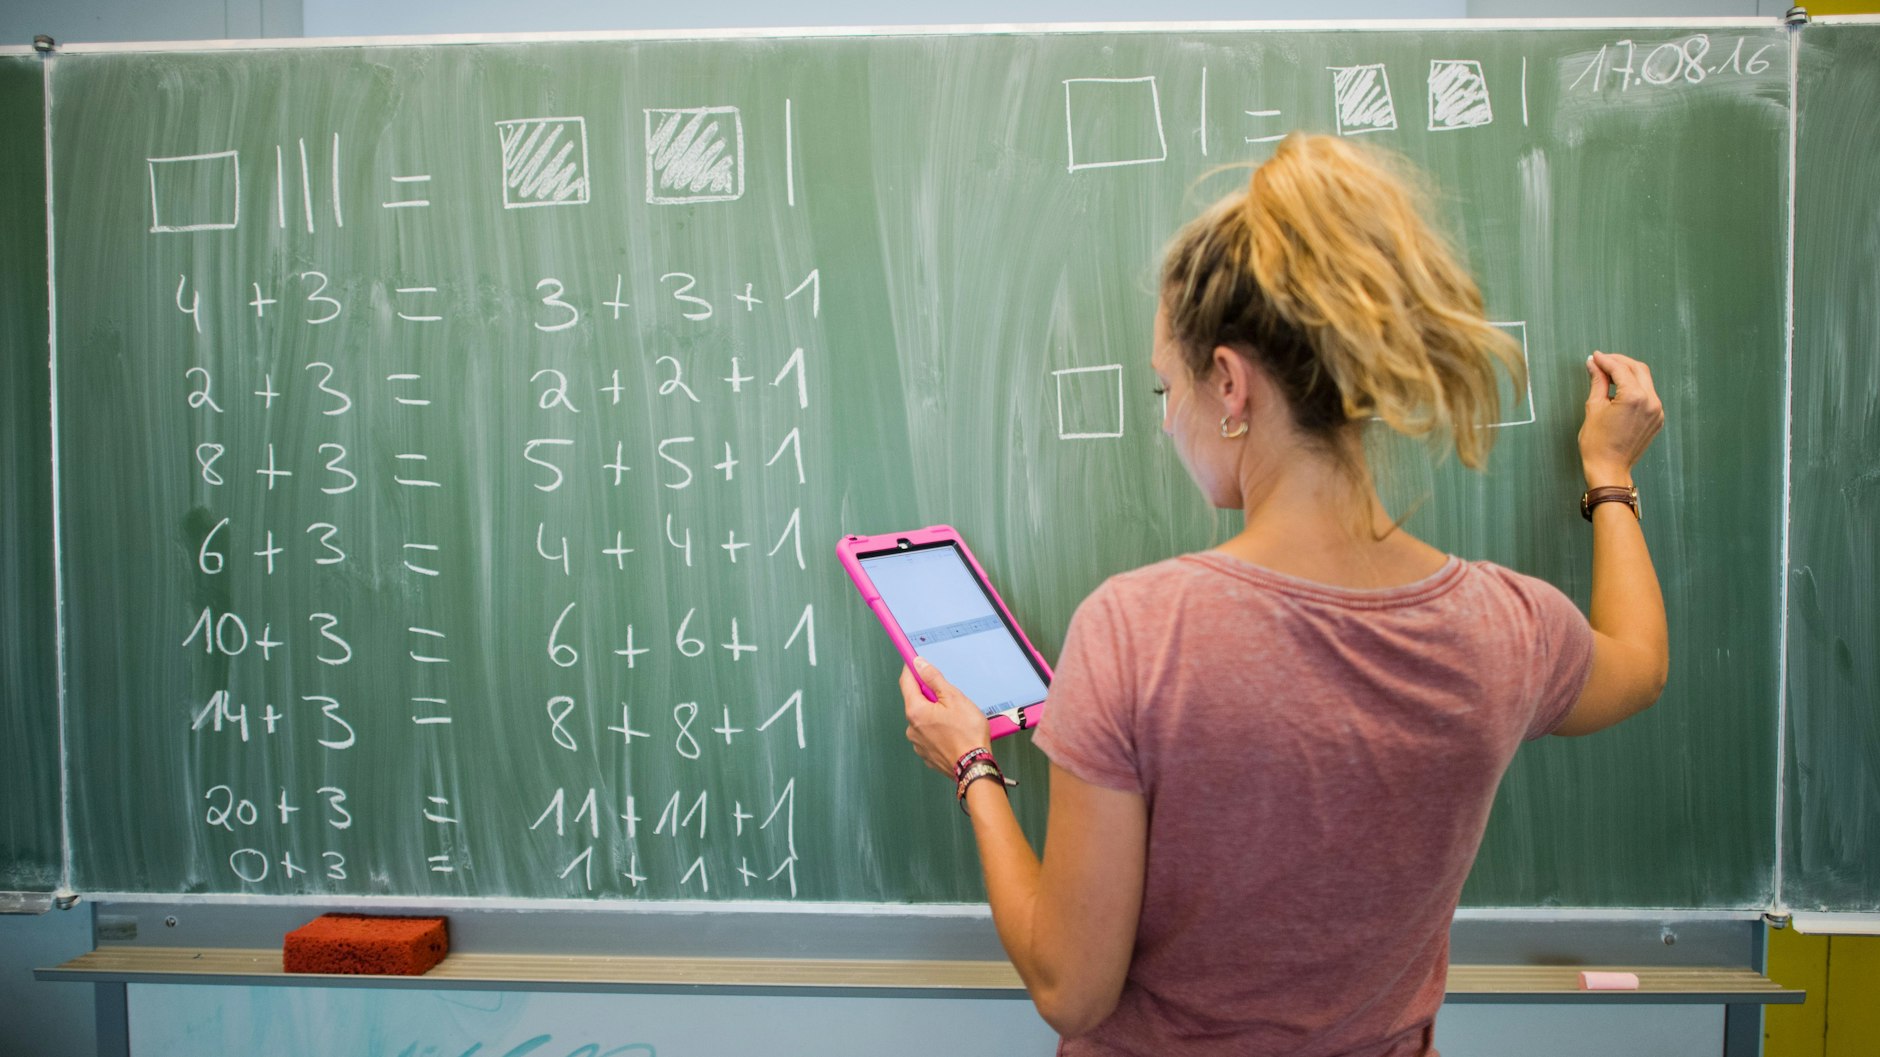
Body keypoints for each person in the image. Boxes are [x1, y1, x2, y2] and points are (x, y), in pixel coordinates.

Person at [897, 132, 1668, 1057]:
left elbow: (1072, 988)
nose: (1170, 417)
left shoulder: (1139, 632)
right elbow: (1640, 664)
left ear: (1229, 383)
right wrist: (1608, 474)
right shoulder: (1502, 624)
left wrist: (974, 766)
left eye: (1164, 387)